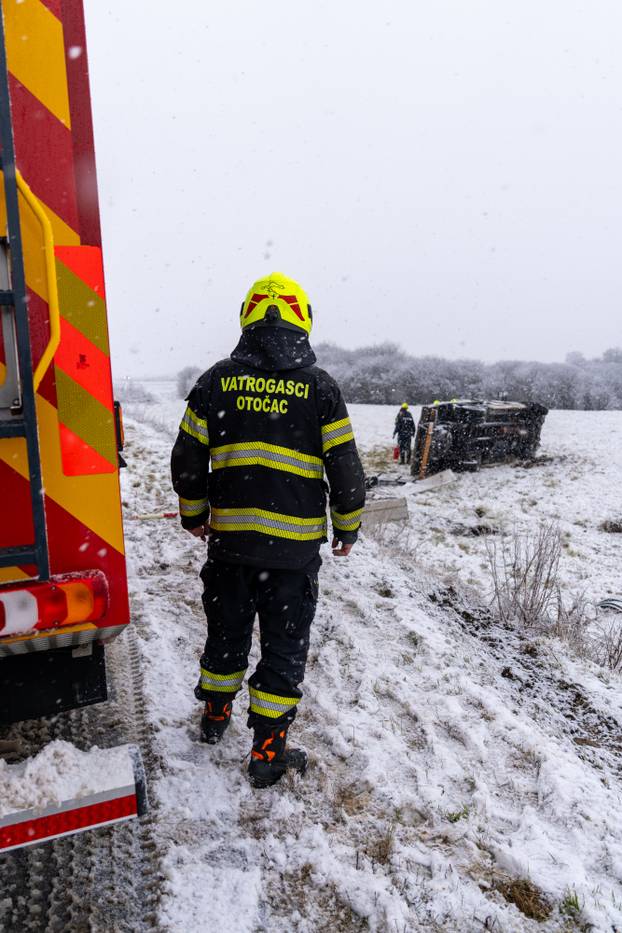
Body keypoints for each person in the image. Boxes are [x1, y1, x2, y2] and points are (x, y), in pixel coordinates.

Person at [171, 272, 366, 788]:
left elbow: (187, 457)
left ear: (247, 318)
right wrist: (347, 525)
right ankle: (267, 751)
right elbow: (344, 466)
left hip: (230, 547)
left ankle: (215, 715)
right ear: (302, 319)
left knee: (226, 632)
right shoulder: (320, 389)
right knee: (283, 649)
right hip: (292, 556)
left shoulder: (216, 381)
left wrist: (194, 515)